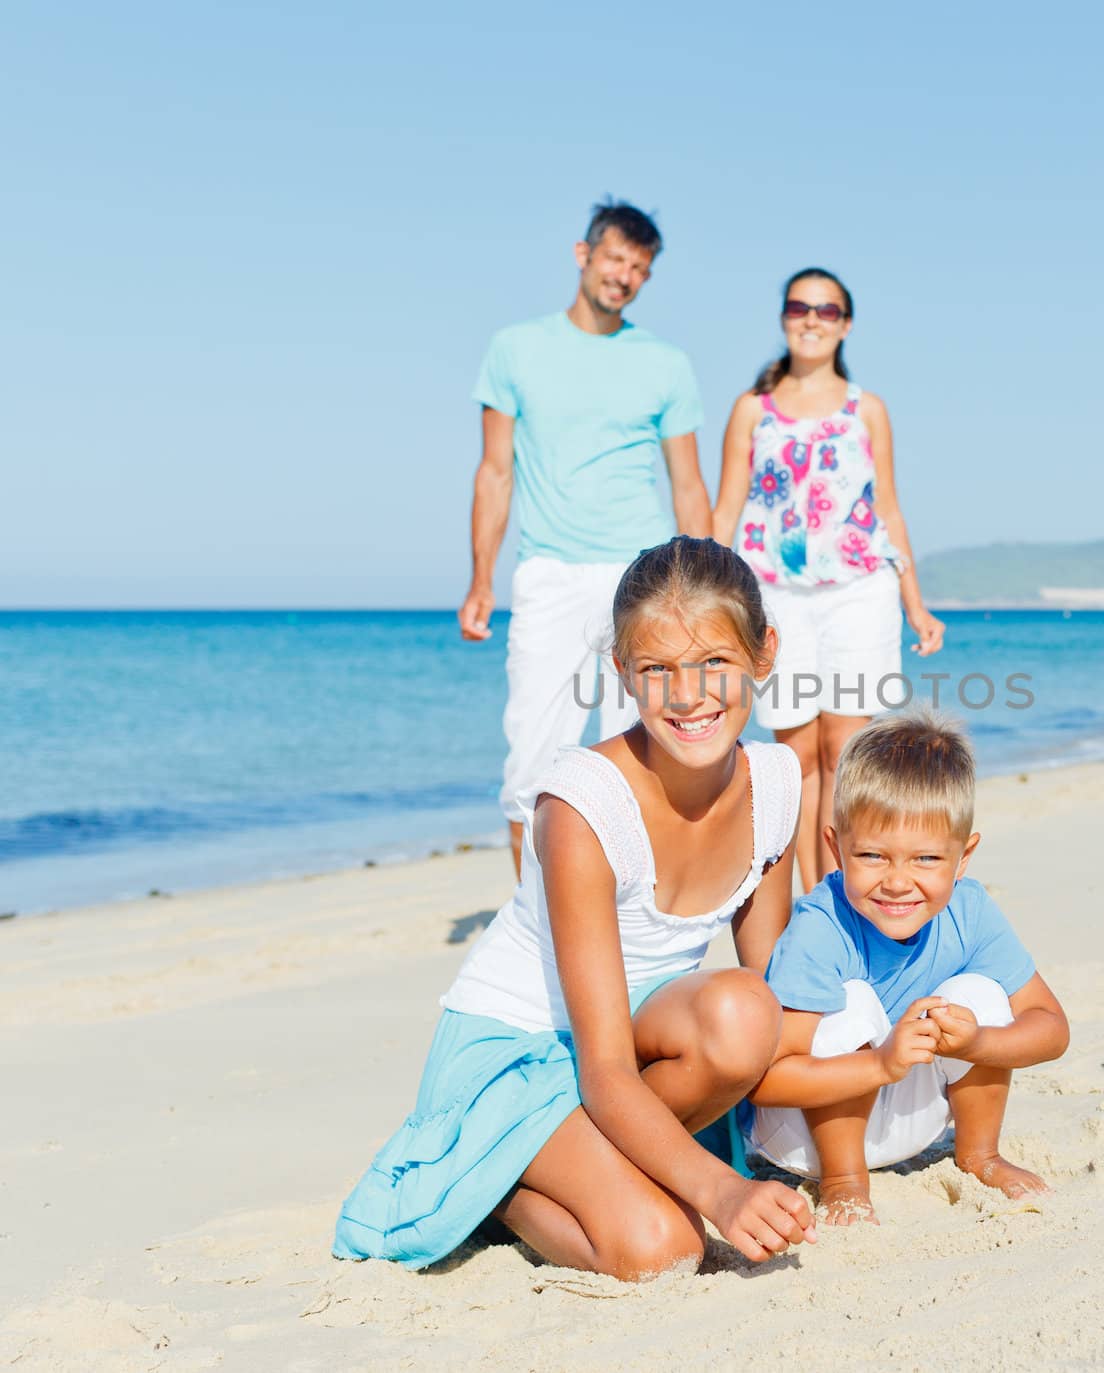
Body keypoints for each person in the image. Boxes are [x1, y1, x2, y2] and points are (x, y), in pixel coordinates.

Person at [336, 537, 815, 1278]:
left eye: (715, 662)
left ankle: (597, 1168)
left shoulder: (777, 784)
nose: (690, 696)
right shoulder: (582, 808)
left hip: (634, 1045)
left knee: (748, 1011)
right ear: (621, 672)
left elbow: (783, 1000)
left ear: (764, 652)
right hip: (523, 1050)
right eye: (658, 670)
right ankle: (497, 1183)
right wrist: (721, 1188)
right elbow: (603, 1068)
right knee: (667, 1246)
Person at [461, 200, 712, 877]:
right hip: (549, 572)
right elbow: (495, 471)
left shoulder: (665, 363)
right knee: (531, 762)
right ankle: (536, 926)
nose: (624, 276)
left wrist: (708, 589)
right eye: (614, 260)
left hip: (644, 577)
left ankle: (630, 930)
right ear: (583, 255)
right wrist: (481, 579)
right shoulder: (515, 348)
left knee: (641, 757)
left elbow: (688, 485)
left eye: (639, 268)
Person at [745, 710, 1070, 1224]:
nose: (898, 882)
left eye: (926, 860)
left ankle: (979, 1155)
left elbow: (1051, 1029)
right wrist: (881, 1064)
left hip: (910, 1121)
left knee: (979, 995)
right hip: (801, 1137)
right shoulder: (821, 926)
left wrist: (976, 1043)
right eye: (873, 855)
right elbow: (765, 1082)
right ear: (836, 849)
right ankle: (845, 1181)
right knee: (851, 1003)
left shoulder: (971, 910)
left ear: (963, 858)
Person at [713, 268, 944, 891]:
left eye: (827, 309)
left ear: (845, 324)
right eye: (799, 307)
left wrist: (915, 605)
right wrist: (706, 597)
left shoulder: (866, 410)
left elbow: (888, 509)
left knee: (843, 757)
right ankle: (815, 907)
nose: (812, 318)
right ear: (784, 317)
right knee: (795, 761)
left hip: (859, 592)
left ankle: (847, 902)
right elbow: (726, 511)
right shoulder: (750, 411)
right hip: (774, 599)